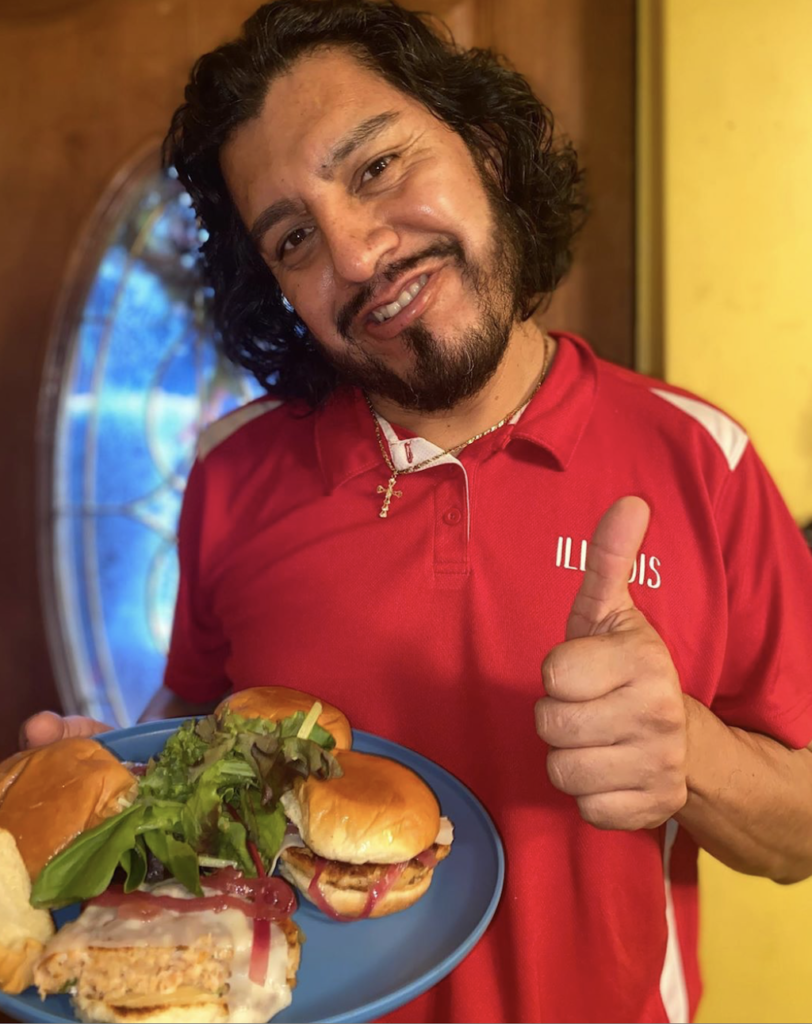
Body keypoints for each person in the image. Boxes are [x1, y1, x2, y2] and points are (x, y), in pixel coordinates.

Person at [22, 2, 812, 1022]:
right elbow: (198, 734)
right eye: (294, 237)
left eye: (376, 168)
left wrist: (690, 756)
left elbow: (798, 832)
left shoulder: (702, 460)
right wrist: (119, 786)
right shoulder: (231, 473)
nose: (355, 256)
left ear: (483, 144)